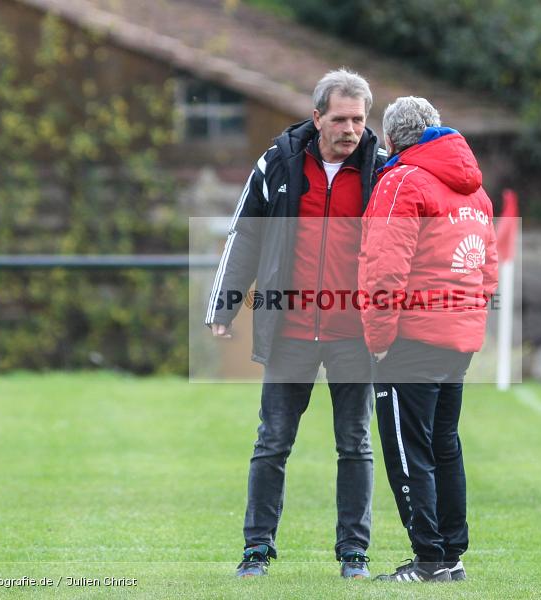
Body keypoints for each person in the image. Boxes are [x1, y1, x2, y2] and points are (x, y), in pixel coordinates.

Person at [206, 69, 387, 579]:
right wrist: (224, 306)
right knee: (272, 443)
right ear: (317, 117)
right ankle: (256, 551)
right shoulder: (278, 163)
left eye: (358, 119)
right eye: (340, 118)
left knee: (355, 445)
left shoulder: (382, 170)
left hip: (354, 334)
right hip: (289, 331)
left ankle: (354, 554)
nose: (350, 129)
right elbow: (246, 236)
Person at [359, 97, 498, 582]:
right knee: (444, 446)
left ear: (392, 140)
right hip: (458, 339)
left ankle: (429, 560)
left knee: (407, 449)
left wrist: (377, 338)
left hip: (412, 340)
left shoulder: (400, 181)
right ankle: (451, 557)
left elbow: (383, 270)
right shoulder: (475, 191)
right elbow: (488, 271)